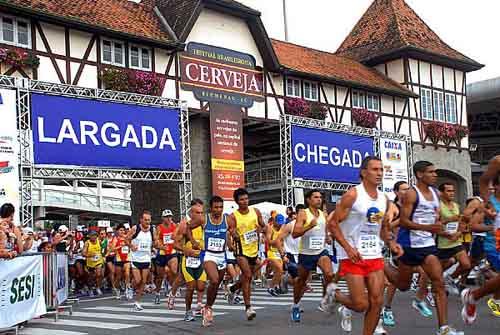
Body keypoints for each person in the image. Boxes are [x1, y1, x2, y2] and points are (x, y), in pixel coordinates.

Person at [384, 161, 463, 335]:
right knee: (403, 286)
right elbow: (404, 221)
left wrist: (444, 229)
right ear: (420, 174)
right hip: (409, 245)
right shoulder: (411, 194)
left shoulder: (435, 194)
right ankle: (382, 266)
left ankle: (443, 328)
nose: (435, 175)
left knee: (439, 283)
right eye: (431, 172)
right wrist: (429, 228)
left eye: (435, 172)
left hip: (427, 246)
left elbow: (434, 220)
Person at [325, 156, 395, 335]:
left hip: (374, 254)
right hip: (352, 255)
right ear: (364, 173)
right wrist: (348, 248)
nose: (379, 173)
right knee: (360, 304)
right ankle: (335, 294)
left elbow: (379, 227)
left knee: (377, 302)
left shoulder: (383, 198)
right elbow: (333, 224)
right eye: (374, 169)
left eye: (381, 169)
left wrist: (391, 242)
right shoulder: (353, 195)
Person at [461, 155, 500, 323]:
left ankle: (474, 295)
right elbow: (484, 180)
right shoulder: (488, 200)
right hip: (495, 244)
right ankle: (473, 294)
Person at [290, 189, 334, 322]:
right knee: (301, 282)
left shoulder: (323, 214)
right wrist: (309, 226)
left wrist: (327, 237)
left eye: (320, 197)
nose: (319, 200)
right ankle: (296, 306)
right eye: (315, 197)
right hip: (306, 254)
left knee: (329, 274)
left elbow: (325, 229)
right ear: (308, 200)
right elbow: (295, 234)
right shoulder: (303, 213)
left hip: (320, 251)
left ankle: (324, 300)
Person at [189, 196, 229, 327]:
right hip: (208, 255)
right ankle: (207, 307)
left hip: (222, 255)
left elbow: (233, 231)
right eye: (216, 207)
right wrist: (194, 242)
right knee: (214, 280)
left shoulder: (228, 219)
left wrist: (233, 238)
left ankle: (208, 307)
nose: (219, 210)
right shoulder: (203, 219)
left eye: (221, 207)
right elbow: (187, 228)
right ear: (211, 208)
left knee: (216, 285)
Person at [227, 188, 265, 321]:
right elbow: (231, 231)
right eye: (241, 199)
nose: (244, 201)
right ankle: (248, 308)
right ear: (237, 201)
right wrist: (235, 235)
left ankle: (233, 288)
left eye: (246, 199)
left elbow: (264, 226)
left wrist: (261, 229)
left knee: (250, 274)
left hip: (254, 249)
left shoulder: (256, 212)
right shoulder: (233, 216)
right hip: (240, 250)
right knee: (248, 275)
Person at [382, 181, 410, 327]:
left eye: (408, 189)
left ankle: (424, 295)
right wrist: (402, 220)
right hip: (398, 247)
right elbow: (387, 226)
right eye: (403, 190)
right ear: (396, 192)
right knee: (396, 281)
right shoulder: (394, 207)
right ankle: (386, 308)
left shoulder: (411, 206)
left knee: (397, 282)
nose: (406, 192)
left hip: (411, 246)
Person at [436, 183, 471, 295]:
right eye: (448, 191)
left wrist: (459, 232)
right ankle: (433, 286)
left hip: (456, 241)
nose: (452, 193)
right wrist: (449, 220)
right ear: (441, 193)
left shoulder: (456, 205)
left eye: (453, 191)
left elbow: (460, 222)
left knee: (466, 264)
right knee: (437, 269)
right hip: (443, 243)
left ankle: (450, 279)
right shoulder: (438, 206)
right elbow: (434, 224)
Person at [176, 202, 206, 322]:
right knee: (191, 287)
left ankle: (199, 306)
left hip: (201, 259)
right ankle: (188, 311)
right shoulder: (184, 226)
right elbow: (175, 243)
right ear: (191, 213)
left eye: (201, 213)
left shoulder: (204, 224)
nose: (200, 215)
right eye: (197, 213)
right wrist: (185, 250)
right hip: (188, 260)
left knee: (201, 286)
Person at [127, 210, 156, 311]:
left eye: (149, 220)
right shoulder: (135, 228)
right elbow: (126, 239)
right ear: (141, 220)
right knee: (138, 280)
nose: (148, 222)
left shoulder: (152, 229)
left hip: (146, 258)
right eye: (146, 220)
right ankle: (130, 286)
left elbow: (155, 241)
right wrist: (131, 245)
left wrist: (155, 247)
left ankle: (137, 302)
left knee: (143, 282)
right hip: (135, 258)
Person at [277, 204, 305, 294]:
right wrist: (283, 255)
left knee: (304, 279)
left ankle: (286, 279)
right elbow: (279, 240)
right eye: (300, 213)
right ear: (296, 214)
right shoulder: (289, 225)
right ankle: (286, 280)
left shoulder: (308, 225)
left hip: (303, 254)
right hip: (290, 254)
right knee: (297, 280)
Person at [154, 209, 178, 305]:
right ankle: (157, 293)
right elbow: (155, 242)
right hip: (162, 253)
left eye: (170, 216)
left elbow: (179, 236)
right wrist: (161, 246)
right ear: (163, 218)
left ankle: (172, 291)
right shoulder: (159, 228)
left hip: (172, 252)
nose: (168, 218)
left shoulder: (175, 226)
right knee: (160, 276)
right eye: (166, 217)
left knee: (174, 271)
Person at [266, 213, 286, 296]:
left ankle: (275, 286)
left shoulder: (283, 228)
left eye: (281, 223)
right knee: (279, 269)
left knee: (279, 272)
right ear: (275, 221)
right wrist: (277, 241)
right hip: (272, 252)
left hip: (280, 252)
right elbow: (269, 241)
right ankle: (271, 287)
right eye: (278, 223)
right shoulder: (270, 229)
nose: (280, 225)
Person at [111, 224, 131, 300]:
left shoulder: (127, 237)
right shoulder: (115, 239)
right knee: (118, 277)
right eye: (120, 230)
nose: (122, 231)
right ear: (117, 231)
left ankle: (127, 290)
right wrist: (120, 246)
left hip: (127, 259)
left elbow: (131, 245)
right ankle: (117, 290)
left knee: (127, 274)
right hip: (118, 259)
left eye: (123, 230)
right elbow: (112, 249)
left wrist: (128, 244)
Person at [83, 230, 104, 296]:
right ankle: (90, 288)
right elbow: (83, 253)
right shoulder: (87, 243)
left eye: (95, 235)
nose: (94, 237)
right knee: (91, 277)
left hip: (98, 261)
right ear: (89, 236)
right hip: (90, 262)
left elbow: (103, 249)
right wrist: (89, 255)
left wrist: (104, 255)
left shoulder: (99, 241)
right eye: (92, 235)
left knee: (99, 274)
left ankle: (98, 287)